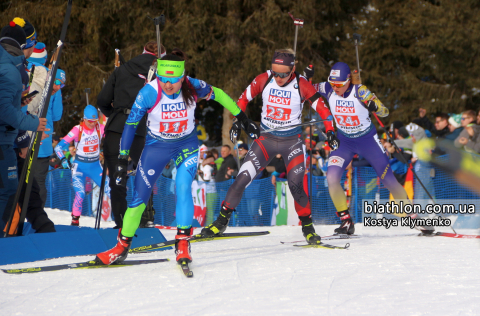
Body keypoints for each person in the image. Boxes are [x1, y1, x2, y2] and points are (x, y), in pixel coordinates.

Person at [94, 49, 259, 266]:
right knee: (138, 199)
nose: (167, 85)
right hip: (156, 147)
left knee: (183, 187)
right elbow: (131, 125)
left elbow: (218, 94)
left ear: (182, 77)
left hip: (186, 146)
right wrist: (123, 157)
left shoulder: (193, 86)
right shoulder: (148, 93)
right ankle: (121, 246)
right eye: (163, 79)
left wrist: (243, 119)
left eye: (172, 80)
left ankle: (182, 243)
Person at [202, 49, 338, 244]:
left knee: (295, 185)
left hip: (291, 143)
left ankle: (308, 227)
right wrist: (237, 122)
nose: (279, 77)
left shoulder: (301, 84)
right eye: (276, 72)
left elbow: (323, 108)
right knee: (241, 179)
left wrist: (330, 131)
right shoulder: (265, 79)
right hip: (265, 140)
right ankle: (221, 222)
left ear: (292, 70)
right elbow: (243, 99)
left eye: (284, 74)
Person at [307, 61, 433, 235]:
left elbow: (384, 112)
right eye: (333, 83)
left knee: (389, 180)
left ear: (348, 80)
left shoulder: (361, 91)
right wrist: (306, 77)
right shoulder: (327, 88)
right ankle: (346, 221)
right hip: (345, 141)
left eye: (339, 84)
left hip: (367, 141)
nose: (335, 88)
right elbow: (305, 87)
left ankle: (412, 216)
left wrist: (375, 106)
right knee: (332, 177)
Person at [97, 41, 164, 228]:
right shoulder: (160, 74)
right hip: (141, 129)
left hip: (117, 128)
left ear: (143, 51)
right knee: (145, 175)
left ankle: (121, 221)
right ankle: (145, 218)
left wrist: (116, 115)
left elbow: (102, 100)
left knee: (117, 177)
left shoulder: (122, 70)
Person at [0, 21, 48, 232]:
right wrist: (32, 125)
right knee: (11, 192)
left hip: (11, 138)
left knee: (18, 192)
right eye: (31, 45)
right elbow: (5, 111)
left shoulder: (12, 67)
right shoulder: (12, 70)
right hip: (7, 139)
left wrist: (18, 103)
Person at [54, 105, 111, 226]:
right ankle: (75, 221)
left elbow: (113, 140)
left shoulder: (100, 128)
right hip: (79, 167)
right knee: (80, 194)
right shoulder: (77, 130)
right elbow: (59, 147)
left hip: (95, 166)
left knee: (110, 190)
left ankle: (121, 222)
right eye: (90, 121)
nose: (92, 124)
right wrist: (63, 159)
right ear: (84, 119)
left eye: (95, 121)